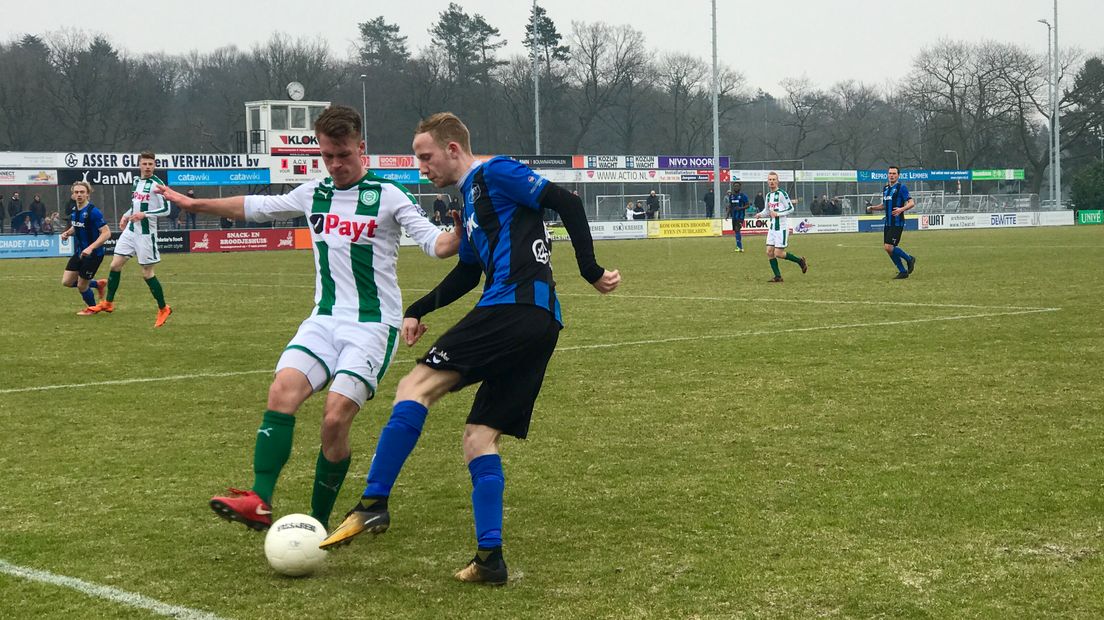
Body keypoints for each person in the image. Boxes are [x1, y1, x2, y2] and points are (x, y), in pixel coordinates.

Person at [319, 112, 621, 586]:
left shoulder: (493, 173)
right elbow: (467, 272)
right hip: (537, 324)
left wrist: (589, 269)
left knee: (414, 387)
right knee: (479, 438)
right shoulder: (470, 203)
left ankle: (374, 503)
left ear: (453, 149)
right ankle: (490, 559)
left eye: (426, 157)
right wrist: (418, 308)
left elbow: (564, 200)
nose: (422, 168)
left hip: (512, 309)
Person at [156, 105, 460, 533]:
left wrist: (463, 232)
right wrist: (195, 203)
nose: (335, 165)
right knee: (282, 390)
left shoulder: (390, 195)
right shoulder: (312, 192)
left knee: (335, 418)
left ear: (361, 148)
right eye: (327, 156)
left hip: (373, 325)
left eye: (343, 154)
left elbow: (434, 244)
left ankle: (315, 523)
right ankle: (260, 501)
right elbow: (256, 207)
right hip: (323, 319)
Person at [86, 151, 172, 326]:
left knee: (147, 273)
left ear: (154, 166)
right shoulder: (136, 182)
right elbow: (135, 205)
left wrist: (144, 214)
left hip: (146, 234)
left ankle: (164, 308)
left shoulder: (158, 185)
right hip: (131, 230)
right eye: (144, 164)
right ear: (139, 165)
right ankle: (108, 303)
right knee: (115, 265)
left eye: (150, 164)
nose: (147, 167)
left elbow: (167, 210)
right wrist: (126, 215)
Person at [59, 182, 110, 315]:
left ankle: (93, 308)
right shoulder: (75, 210)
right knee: (67, 282)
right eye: (76, 192)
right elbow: (76, 226)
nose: (79, 194)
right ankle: (97, 284)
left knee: (82, 285)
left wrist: (91, 248)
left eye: (82, 192)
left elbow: (106, 233)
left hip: (93, 255)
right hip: (80, 252)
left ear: (87, 193)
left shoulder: (93, 212)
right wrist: (67, 233)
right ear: (73, 195)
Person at [754, 172, 808, 283]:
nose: (772, 181)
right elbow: (767, 211)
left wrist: (778, 213)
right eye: (770, 179)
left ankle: (799, 261)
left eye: (774, 179)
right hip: (773, 227)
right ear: (767, 181)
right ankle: (778, 276)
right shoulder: (768, 196)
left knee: (778, 253)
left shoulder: (782, 194)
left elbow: (791, 208)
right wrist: (760, 214)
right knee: (769, 252)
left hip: (782, 228)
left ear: (777, 181)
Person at [866, 165, 917, 279]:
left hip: (897, 222)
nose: (892, 175)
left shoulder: (901, 187)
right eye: (890, 173)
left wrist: (901, 209)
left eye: (894, 173)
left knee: (889, 247)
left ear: (898, 175)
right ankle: (903, 271)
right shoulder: (885, 189)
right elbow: (884, 205)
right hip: (888, 223)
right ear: (887, 175)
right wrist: (873, 208)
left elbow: (911, 203)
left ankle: (909, 259)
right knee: (889, 249)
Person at [727, 182, 751, 252]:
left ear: (740, 187)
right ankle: (739, 246)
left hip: (740, 216)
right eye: (735, 186)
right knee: (736, 231)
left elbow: (748, 205)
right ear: (733, 187)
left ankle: (740, 247)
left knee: (737, 229)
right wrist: (727, 214)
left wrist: (740, 208)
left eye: (737, 186)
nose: (736, 187)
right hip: (734, 216)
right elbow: (730, 205)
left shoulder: (743, 196)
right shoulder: (731, 196)